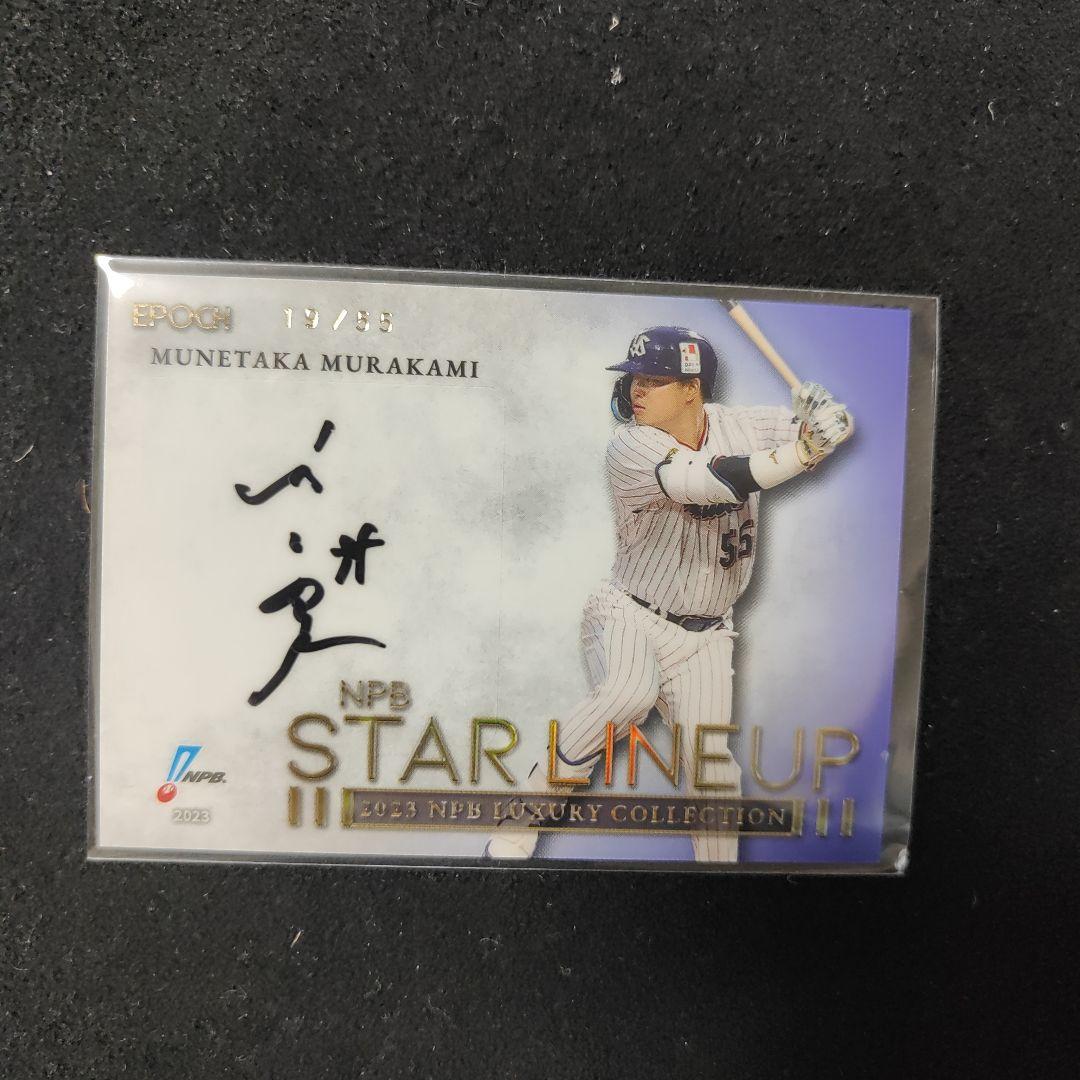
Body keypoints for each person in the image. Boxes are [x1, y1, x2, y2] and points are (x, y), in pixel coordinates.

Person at [486, 326, 853, 861]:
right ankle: (521, 817)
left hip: (708, 634)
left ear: (691, 389)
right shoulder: (630, 445)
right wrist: (802, 452)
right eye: (636, 377)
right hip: (630, 613)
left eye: (655, 379)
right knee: (627, 693)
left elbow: (827, 428)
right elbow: (706, 482)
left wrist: (825, 417)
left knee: (712, 771)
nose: (638, 389)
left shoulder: (740, 425)